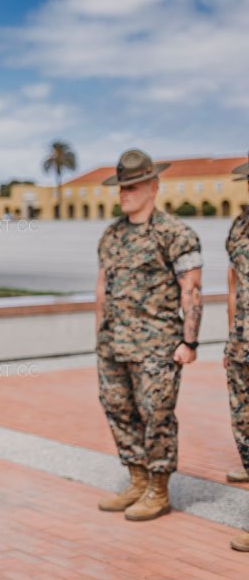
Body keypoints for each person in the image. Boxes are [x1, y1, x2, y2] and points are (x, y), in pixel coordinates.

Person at [95, 148, 203, 521]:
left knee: (156, 416)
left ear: (153, 187)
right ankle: (137, 480)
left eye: (134, 187)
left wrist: (189, 342)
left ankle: (158, 489)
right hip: (113, 345)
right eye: (122, 187)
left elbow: (191, 291)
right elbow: (102, 289)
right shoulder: (111, 235)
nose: (125, 194)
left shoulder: (176, 234)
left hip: (157, 346)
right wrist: (99, 339)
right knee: (119, 411)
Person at [225, 156, 249, 550]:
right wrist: (231, 339)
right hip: (243, 344)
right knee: (243, 423)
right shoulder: (240, 227)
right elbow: (232, 285)